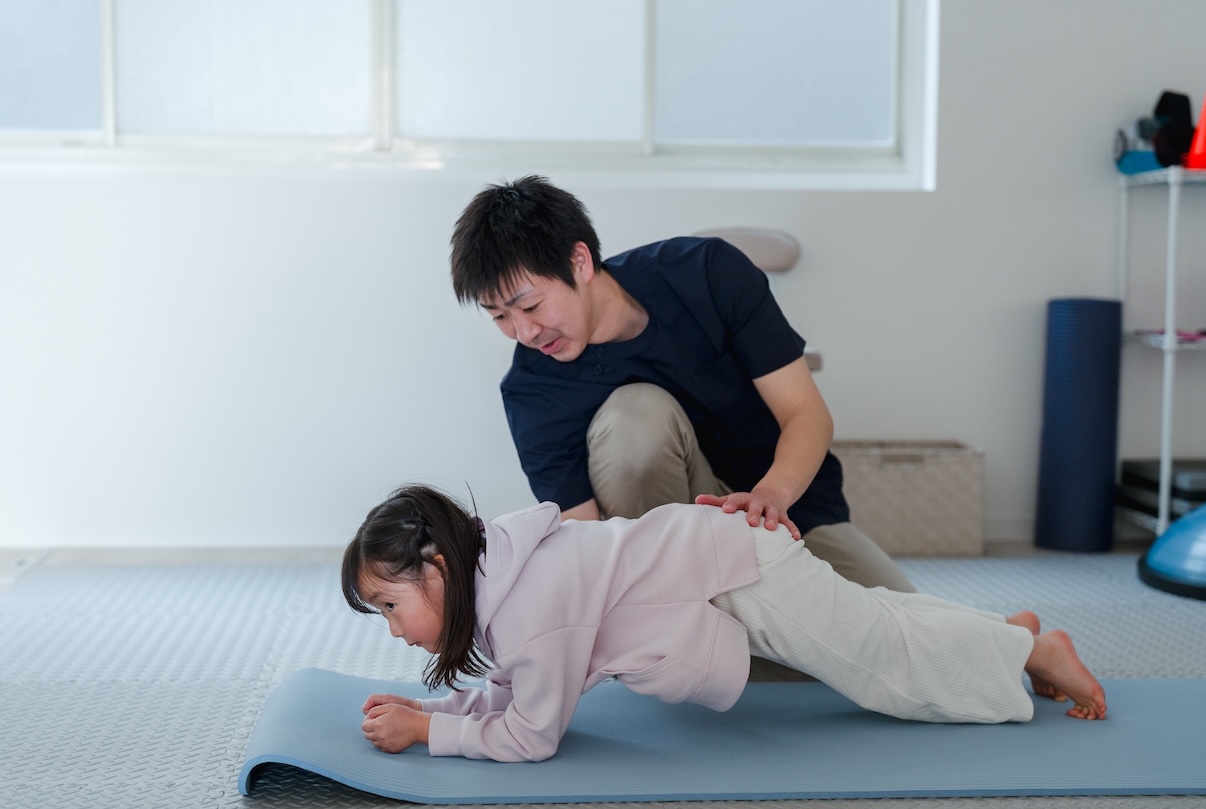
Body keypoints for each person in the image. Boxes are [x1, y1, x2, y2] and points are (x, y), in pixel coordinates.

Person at [341, 484, 1107, 763]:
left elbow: (531, 733)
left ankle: (1030, 649)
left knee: (880, 666)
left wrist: (431, 733)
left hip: (739, 574)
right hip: (724, 568)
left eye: (390, 606)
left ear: (436, 570)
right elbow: (515, 692)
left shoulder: (528, 607)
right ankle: (1001, 631)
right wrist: (431, 710)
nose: (393, 628)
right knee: (874, 621)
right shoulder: (498, 568)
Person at [449, 175, 914, 594]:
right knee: (636, 413)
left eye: (529, 307)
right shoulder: (533, 392)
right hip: (671, 569)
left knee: (906, 634)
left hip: (789, 513)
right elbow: (585, 540)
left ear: (580, 262)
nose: (524, 333)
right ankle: (691, 615)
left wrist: (771, 497)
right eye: (500, 317)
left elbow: (805, 412)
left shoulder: (707, 274)